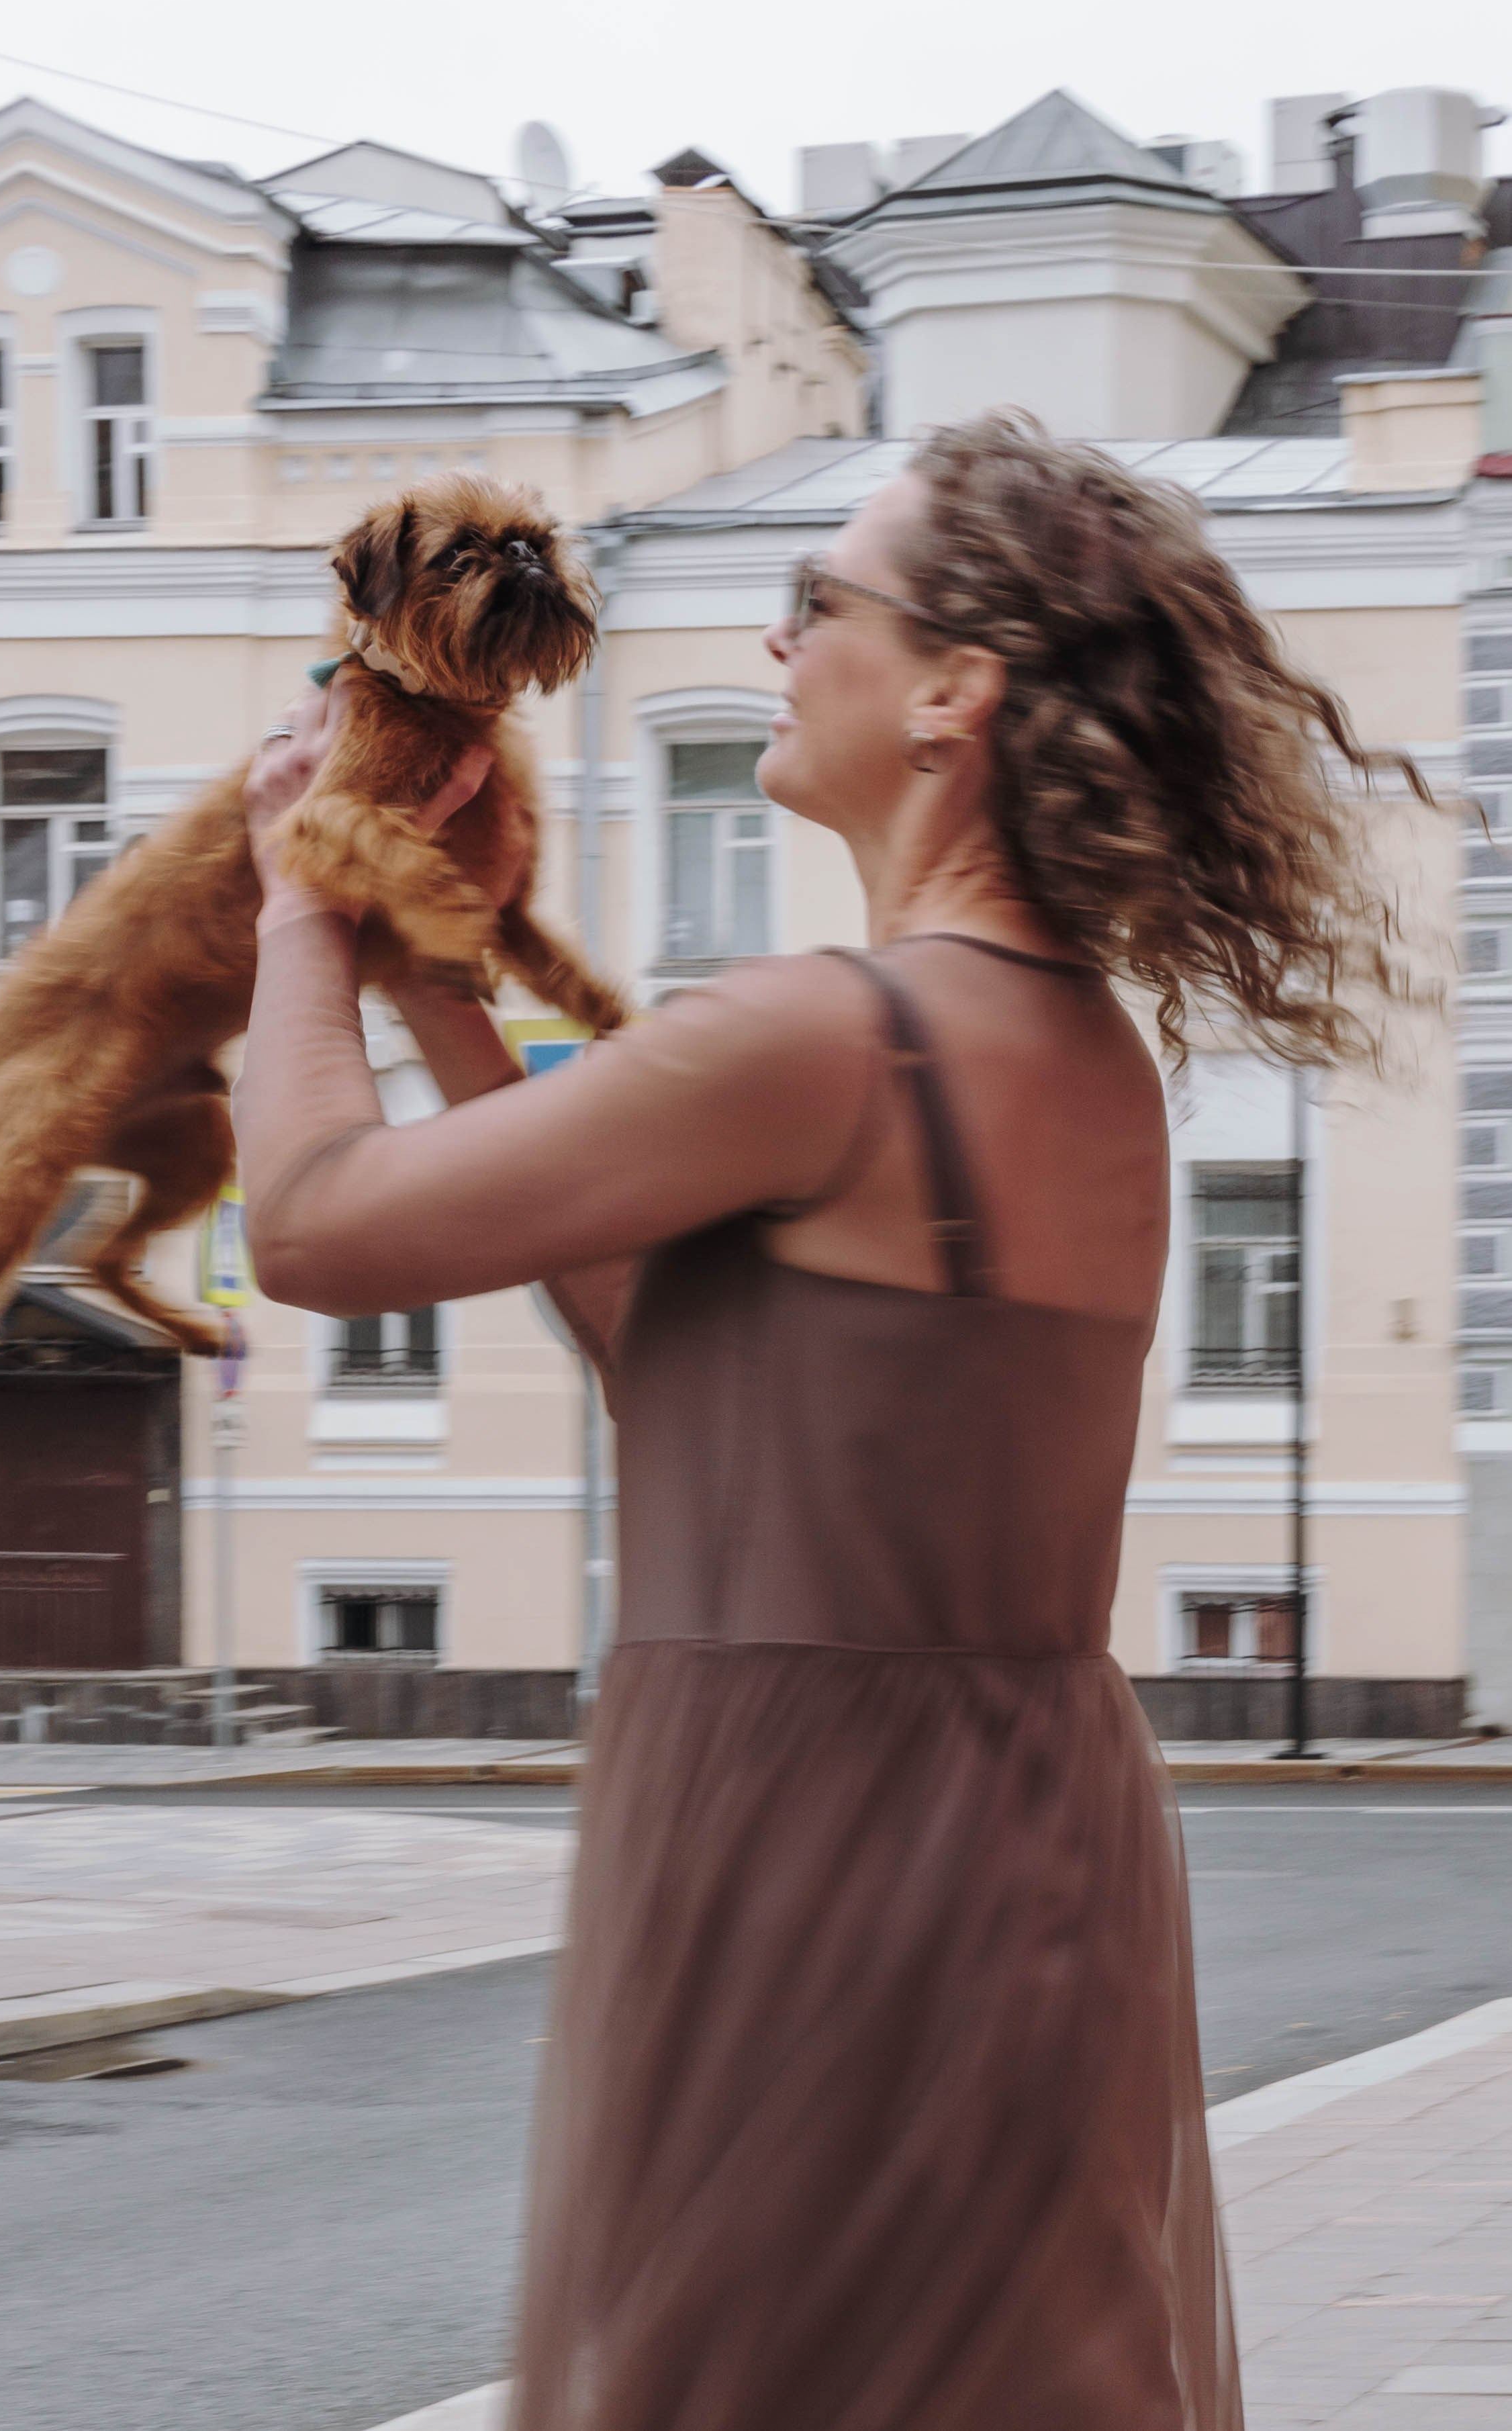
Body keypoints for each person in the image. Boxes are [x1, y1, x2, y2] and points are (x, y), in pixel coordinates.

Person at [236, 412, 1413, 2431]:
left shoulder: (816, 1035)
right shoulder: (1076, 1053)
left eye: (817, 605)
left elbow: (314, 1225)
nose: (779, 647)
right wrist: (442, 976)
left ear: (955, 691)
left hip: (809, 1861)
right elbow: (681, 1357)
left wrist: (294, 906)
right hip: (1025, 1838)